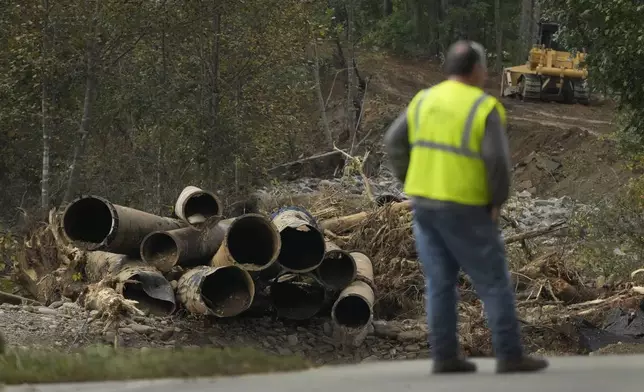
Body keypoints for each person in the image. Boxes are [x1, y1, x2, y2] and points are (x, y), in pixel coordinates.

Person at [383, 40, 549, 374]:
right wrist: (496, 202)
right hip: (466, 207)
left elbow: (393, 141)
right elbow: (498, 163)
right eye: (484, 68)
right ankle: (509, 354)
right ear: (475, 70)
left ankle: (444, 357)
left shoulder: (423, 100)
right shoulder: (482, 107)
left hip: (424, 206)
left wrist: (411, 180)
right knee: (492, 281)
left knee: (439, 283)